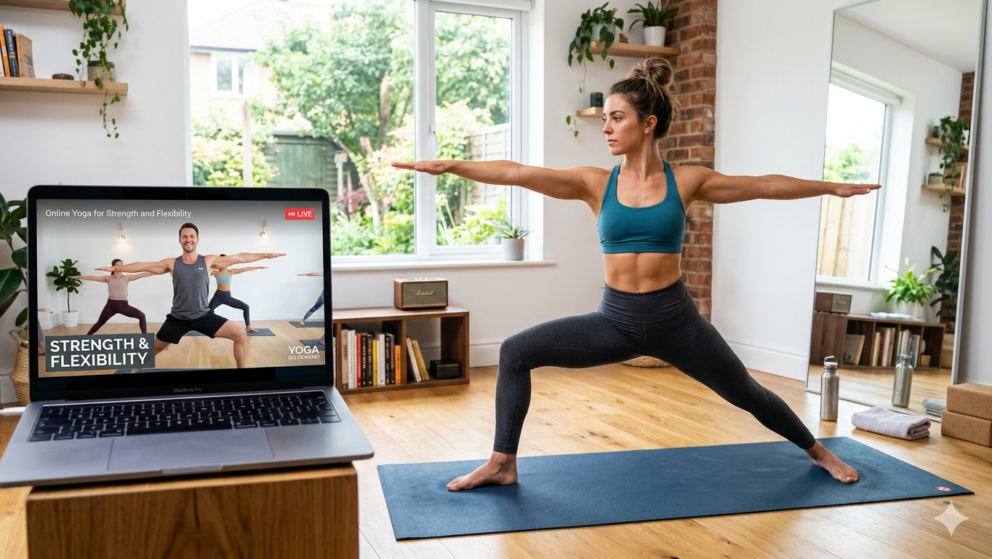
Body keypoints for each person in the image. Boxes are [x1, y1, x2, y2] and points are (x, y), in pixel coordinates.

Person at [392, 58, 878, 491]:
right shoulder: (593, 182)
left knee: (747, 393)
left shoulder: (686, 180)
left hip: (678, 322)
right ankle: (502, 463)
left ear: (648, 124)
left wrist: (833, 187)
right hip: (615, 322)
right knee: (515, 351)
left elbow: (765, 184)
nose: (606, 128)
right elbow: (518, 172)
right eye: (604, 118)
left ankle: (818, 451)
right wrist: (453, 165)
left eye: (616, 118)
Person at [96, 223, 285, 368]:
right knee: (156, 348)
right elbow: (142, 265)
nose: (188, 239)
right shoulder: (171, 263)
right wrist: (116, 268)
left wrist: (265, 255)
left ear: (197, 239)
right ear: (179, 240)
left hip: (204, 316)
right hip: (178, 319)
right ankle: (133, 370)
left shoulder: (209, 261)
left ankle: (242, 376)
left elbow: (239, 257)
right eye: (184, 236)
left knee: (240, 335)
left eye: (192, 236)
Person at [71, 260, 158, 335]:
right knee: (99, 323)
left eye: (121, 265)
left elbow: (141, 275)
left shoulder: (126, 278)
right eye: (118, 265)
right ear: (113, 266)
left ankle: (145, 337)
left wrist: (157, 272)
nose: (120, 266)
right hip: (110, 306)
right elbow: (93, 278)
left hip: (123, 306)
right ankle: (87, 337)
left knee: (142, 316)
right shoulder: (108, 278)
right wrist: (78, 277)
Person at [209, 258, 267, 333]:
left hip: (227, 297)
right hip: (218, 296)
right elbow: (204, 273)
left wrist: (257, 267)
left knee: (246, 307)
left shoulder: (231, 271)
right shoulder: (215, 272)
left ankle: (248, 327)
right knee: (205, 312)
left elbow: (245, 269)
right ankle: (194, 327)